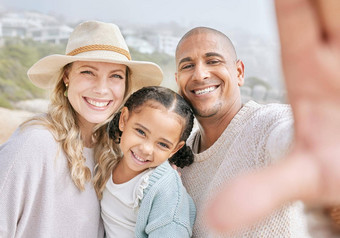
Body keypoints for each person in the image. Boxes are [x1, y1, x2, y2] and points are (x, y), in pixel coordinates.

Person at [174, 2, 340, 236]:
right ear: (177, 79)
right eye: (188, 65)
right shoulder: (180, 155)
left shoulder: (266, 124)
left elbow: (287, 137)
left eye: (213, 61)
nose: (200, 74)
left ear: (239, 72)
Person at [0, 20, 163, 237]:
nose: (102, 89)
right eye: (88, 72)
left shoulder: (114, 151)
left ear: (125, 85)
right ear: (67, 76)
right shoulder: (35, 143)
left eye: (115, 76)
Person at [93, 86, 196, 238]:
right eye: (141, 132)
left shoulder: (164, 191)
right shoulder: (110, 157)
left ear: (175, 149)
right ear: (124, 119)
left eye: (162, 144)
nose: (146, 149)